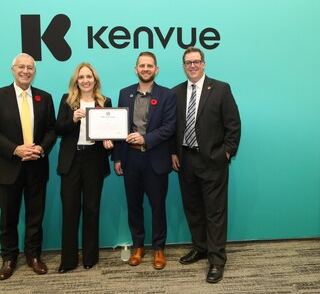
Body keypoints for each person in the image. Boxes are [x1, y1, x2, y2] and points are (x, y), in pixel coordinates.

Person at [0, 53, 57, 280]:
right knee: (8, 217)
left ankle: (34, 256)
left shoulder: (45, 97)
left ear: (35, 72)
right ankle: (9, 258)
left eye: (30, 68)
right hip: (8, 167)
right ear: (13, 69)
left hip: (36, 166)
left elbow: (51, 130)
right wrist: (16, 149)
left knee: (35, 216)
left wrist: (40, 149)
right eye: (21, 67)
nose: (26, 71)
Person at [171, 47, 241, 283]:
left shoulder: (221, 88)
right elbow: (173, 128)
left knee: (215, 212)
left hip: (213, 161)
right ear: (183, 66)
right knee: (193, 208)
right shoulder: (176, 92)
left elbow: (233, 125)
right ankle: (200, 247)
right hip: (186, 159)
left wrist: (226, 153)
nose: (192, 65)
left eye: (196, 61)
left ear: (204, 63)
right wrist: (173, 152)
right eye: (188, 62)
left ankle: (217, 259)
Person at [112, 52, 176, 270]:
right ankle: (138, 246)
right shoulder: (124, 93)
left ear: (156, 69)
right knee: (134, 205)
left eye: (150, 65)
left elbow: (169, 127)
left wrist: (145, 138)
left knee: (157, 206)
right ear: (136, 69)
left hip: (155, 159)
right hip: (130, 159)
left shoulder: (167, 95)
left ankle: (159, 248)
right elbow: (119, 129)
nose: (146, 69)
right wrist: (117, 157)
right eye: (142, 65)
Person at [55, 63, 112, 273]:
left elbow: (110, 131)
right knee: (70, 210)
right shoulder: (67, 101)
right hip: (72, 160)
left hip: (93, 161)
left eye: (89, 76)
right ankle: (68, 261)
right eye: (81, 77)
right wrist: (72, 119)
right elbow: (58, 128)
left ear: (95, 80)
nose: (85, 80)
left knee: (91, 209)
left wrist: (109, 141)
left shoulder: (105, 102)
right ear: (76, 81)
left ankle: (90, 257)